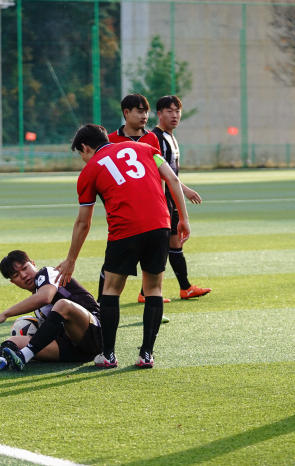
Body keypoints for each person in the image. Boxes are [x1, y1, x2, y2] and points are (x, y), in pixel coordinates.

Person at [55, 124, 190, 369]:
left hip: (125, 230)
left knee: (112, 289)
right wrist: (183, 218)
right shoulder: (146, 148)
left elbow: (83, 223)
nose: (83, 160)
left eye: (81, 154)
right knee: (154, 289)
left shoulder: (90, 171)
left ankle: (108, 355)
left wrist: (71, 259)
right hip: (161, 225)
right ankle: (146, 354)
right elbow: (172, 179)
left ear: (86, 147)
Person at [0, 250, 102, 371]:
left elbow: (45, 297)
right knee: (12, 341)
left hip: (96, 334)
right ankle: (0, 361)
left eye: (24, 268)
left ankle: (23, 356)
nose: (23, 275)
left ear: (33, 264)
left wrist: (5, 314)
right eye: (16, 275)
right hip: (76, 351)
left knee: (62, 305)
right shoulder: (37, 305)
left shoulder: (49, 272)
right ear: (13, 282)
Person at [103, 93, 167, 305]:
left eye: (146, 111)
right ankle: (100, 306)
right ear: (126, 113)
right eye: (140, 111)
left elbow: (161, 175)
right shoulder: (111, 140)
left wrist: (163, 203)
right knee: (112, 267)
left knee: (153, 265)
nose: (144, 115)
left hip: (153, 214)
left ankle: (151, 301)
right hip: (125, 215)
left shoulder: (152, 138)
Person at [151, 95, 211, 300]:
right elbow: (160, 172)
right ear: (159, 114)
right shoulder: (156, 138)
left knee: (174, 243)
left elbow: (171, 173)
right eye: (169, 111)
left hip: (171, 198)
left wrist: (180, 189)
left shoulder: (170, 136)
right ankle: (147, 292)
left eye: (177, 111)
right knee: (160, 245)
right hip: (161, 199)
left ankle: (185, 288)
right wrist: (184, 189)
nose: (174, 115)